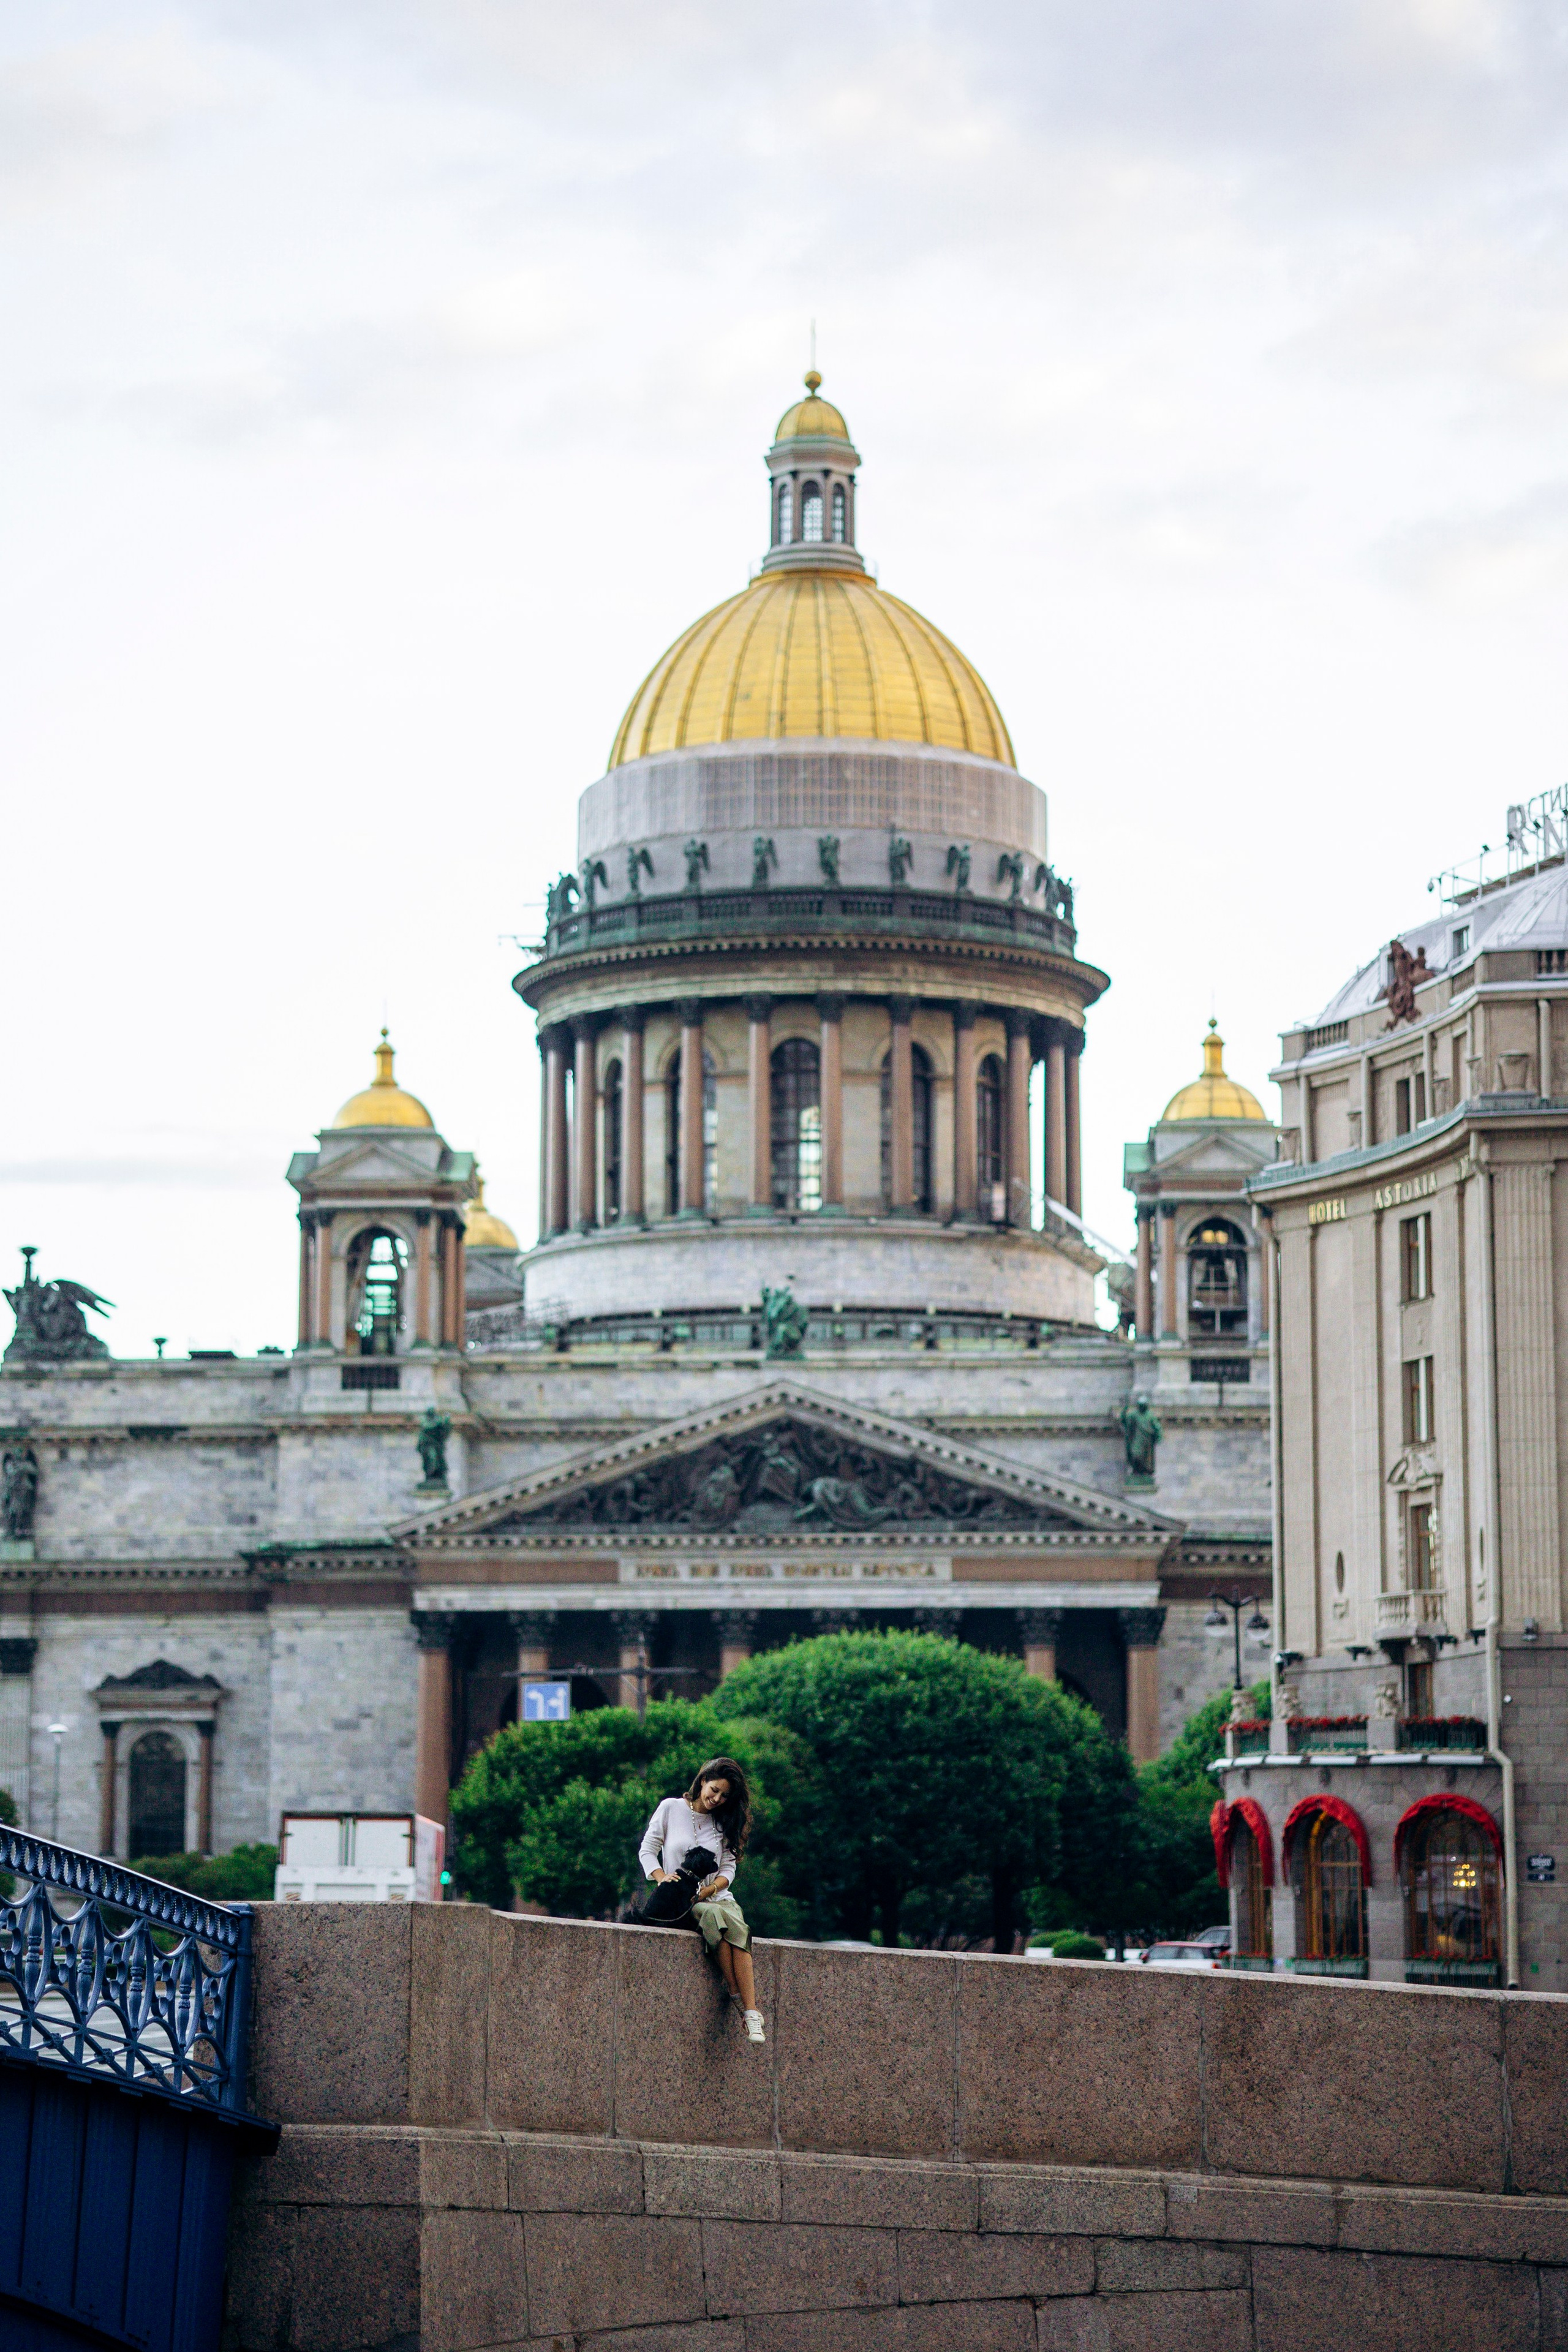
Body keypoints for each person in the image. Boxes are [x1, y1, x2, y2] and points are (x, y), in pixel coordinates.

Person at [638, 1757, 765, 2044]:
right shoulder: (671, 1808)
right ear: (703, 1780)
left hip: (716, 1895)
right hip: (686, 1900)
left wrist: (710, 1890)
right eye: (714, 1790)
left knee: (735, 1925)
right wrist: (660, 1877)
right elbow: (648, 1849)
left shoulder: (725, 1822)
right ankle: (737, 1995)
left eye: (724, 1796)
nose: (717, 1799)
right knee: (713, 1918)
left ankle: (752, 2012)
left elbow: (729, 1868)